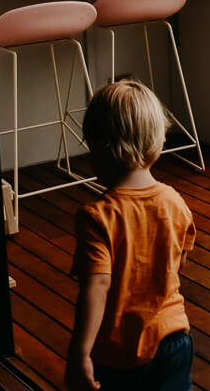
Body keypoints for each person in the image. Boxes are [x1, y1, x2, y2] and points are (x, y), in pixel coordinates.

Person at [65, 80, 196, 391]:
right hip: (175, 338)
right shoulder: (175, 201)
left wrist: (79, 354)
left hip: (121, 352)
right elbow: (179, 263)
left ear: (98, 146)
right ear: (157, 139)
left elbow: (96, 285)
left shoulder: (97, 216)